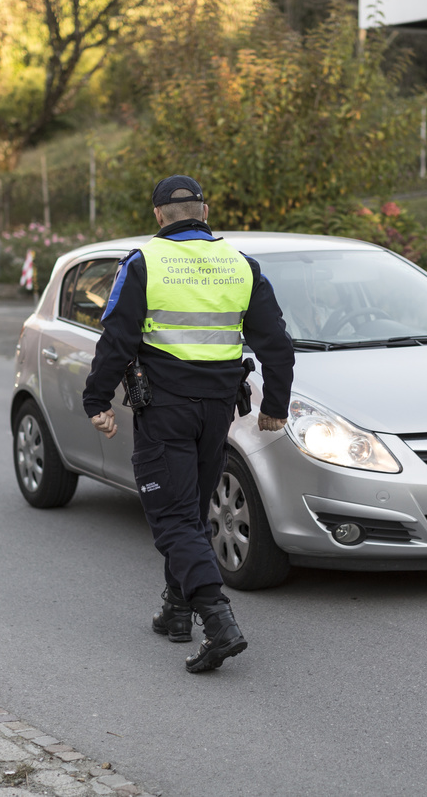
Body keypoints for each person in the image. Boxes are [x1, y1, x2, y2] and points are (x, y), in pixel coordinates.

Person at [82, 175, 294, 673]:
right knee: (190, 513)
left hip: (165, 412)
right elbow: (277, 345)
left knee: (174, 519)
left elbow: (115, 339)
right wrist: (276, 406)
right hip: (218, 412)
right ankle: (176, 613)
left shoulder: (144, 263)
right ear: (205, 208)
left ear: (158, 215)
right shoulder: (240, 265)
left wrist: (97, 399)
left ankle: (218, 624)